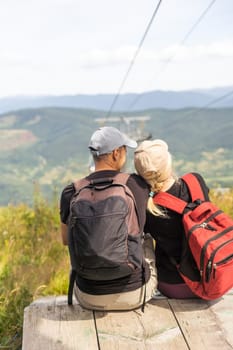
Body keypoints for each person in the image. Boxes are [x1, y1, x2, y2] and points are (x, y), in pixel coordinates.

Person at [60, 126, 157, 311]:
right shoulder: (136, 185)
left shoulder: (71, 192)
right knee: (146, 240)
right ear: (115, 153)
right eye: (125, 150)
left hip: (88, 297)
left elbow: (66, 240)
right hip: (134, 294)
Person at [134, 139, 210, 299]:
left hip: (172, 286)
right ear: (168, 163)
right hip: (211, 278)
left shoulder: (146, 205)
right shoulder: (195, 182)